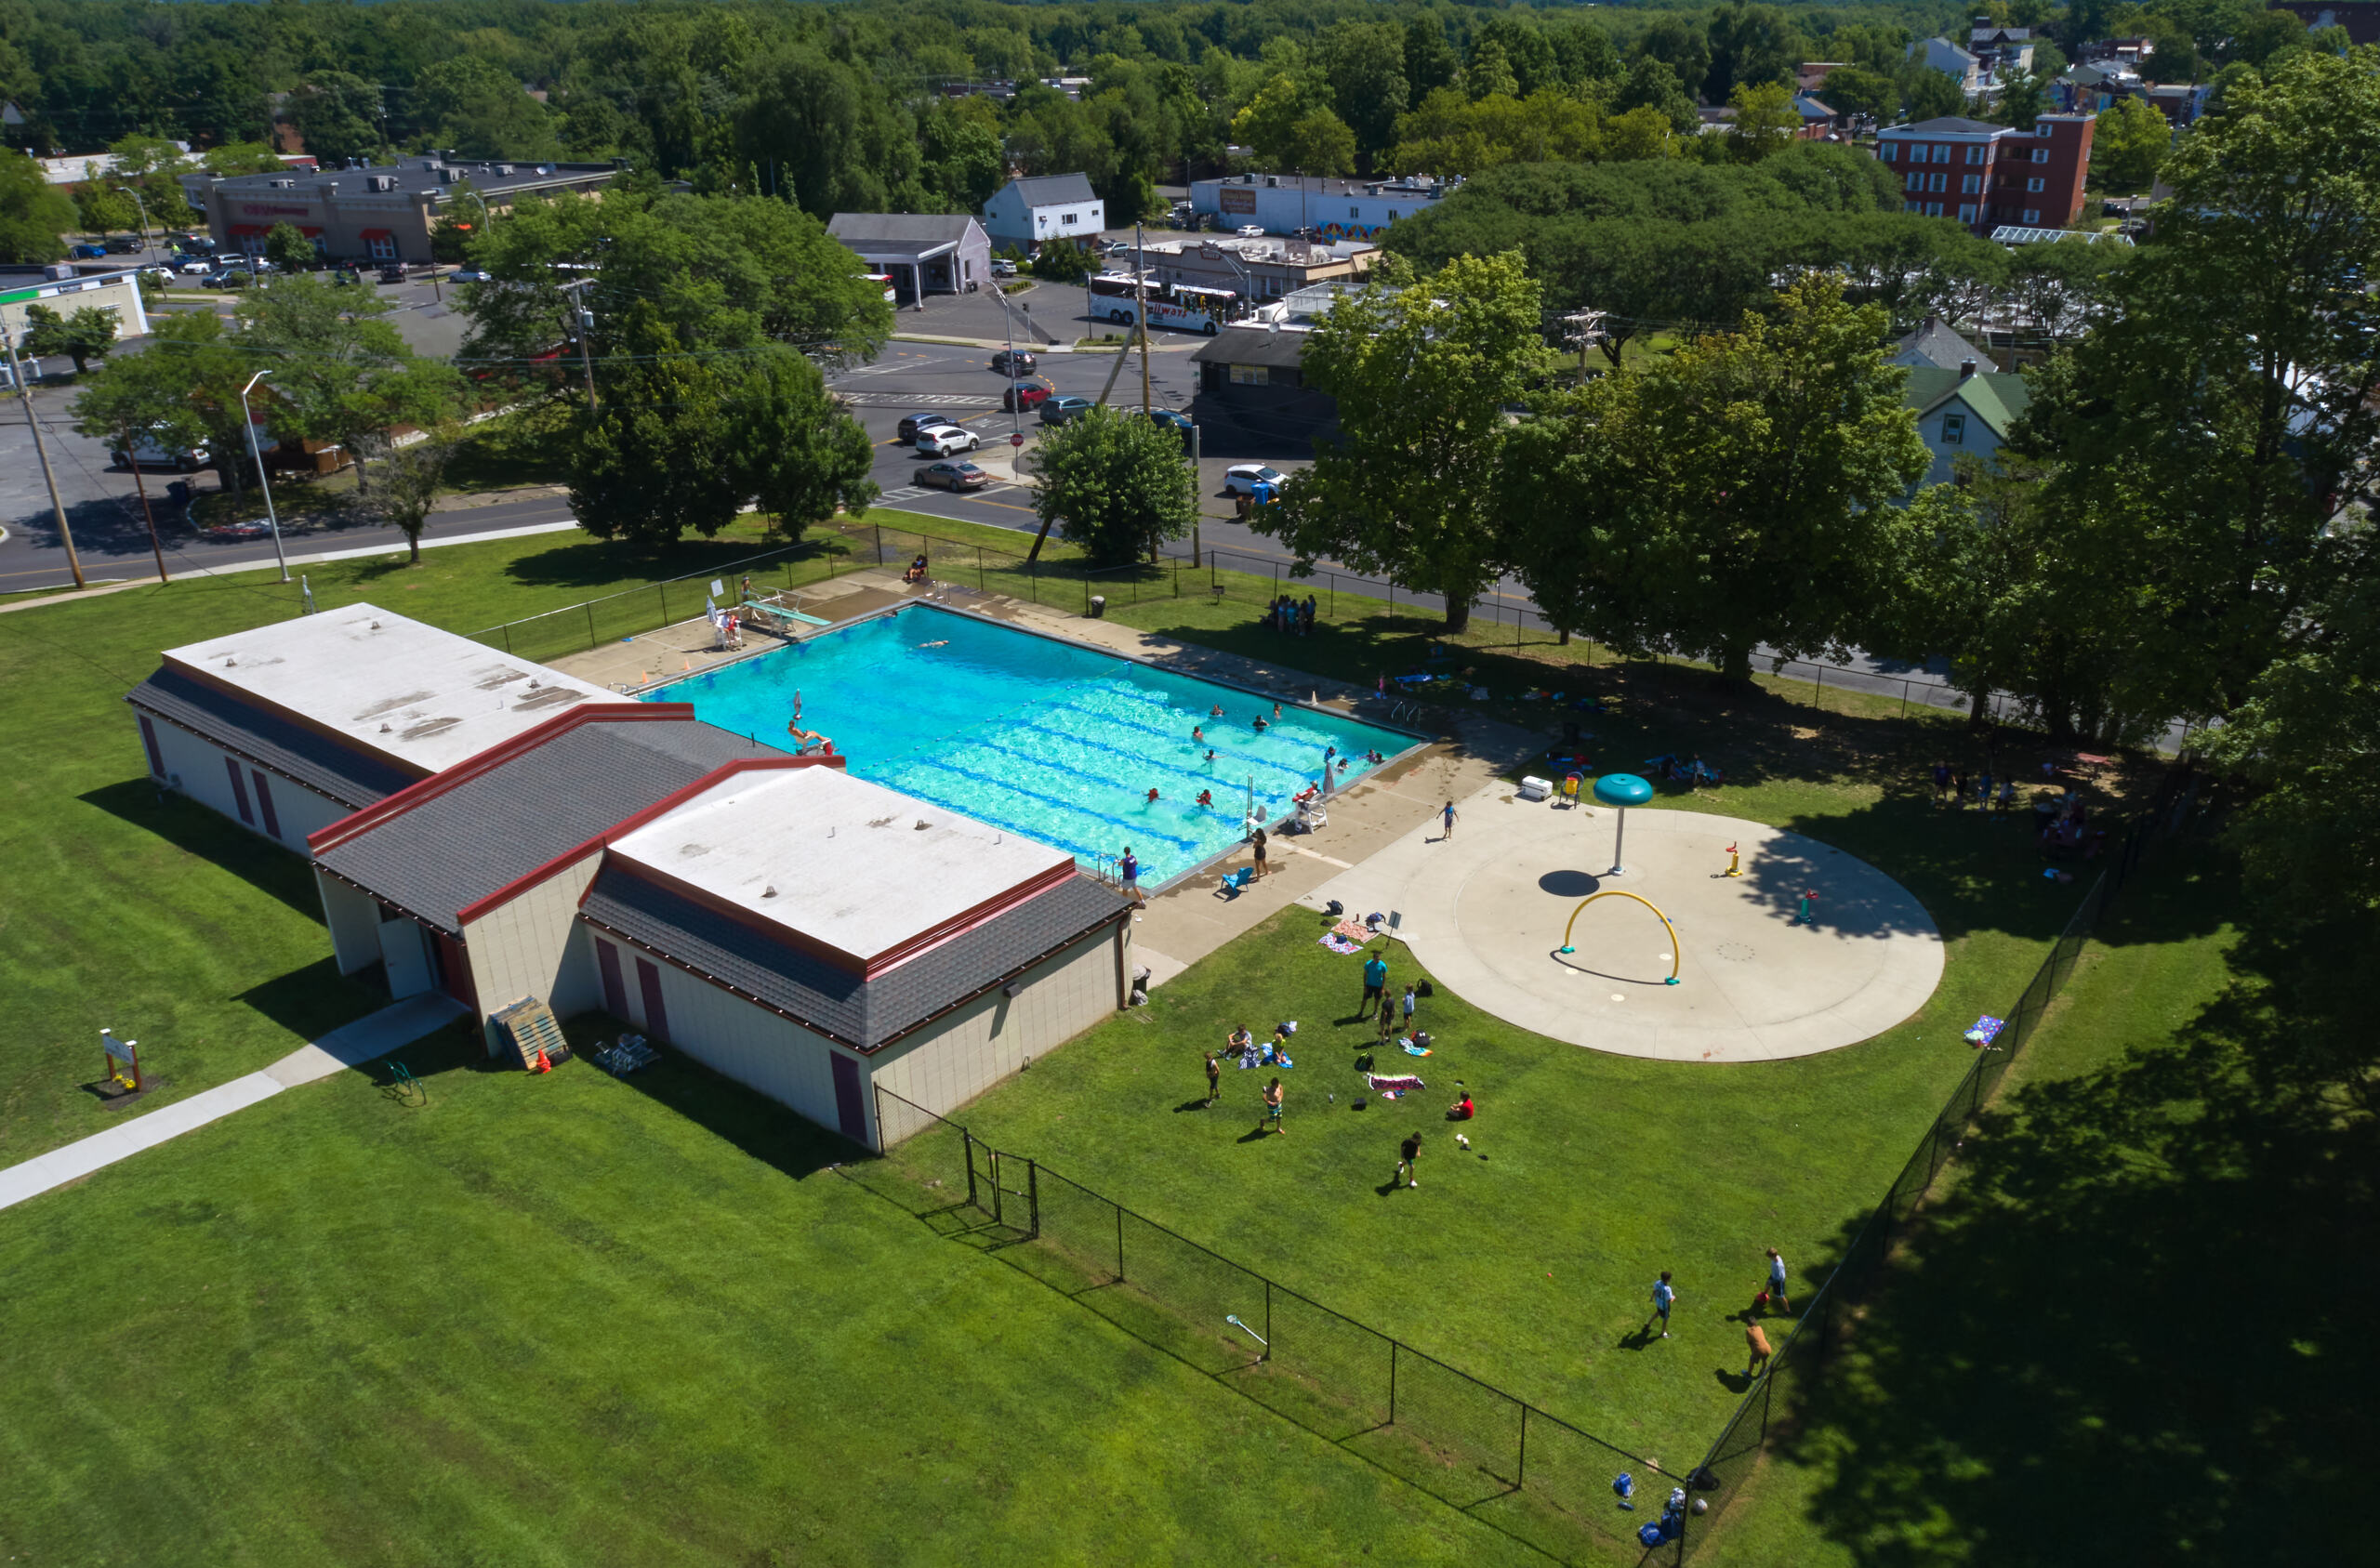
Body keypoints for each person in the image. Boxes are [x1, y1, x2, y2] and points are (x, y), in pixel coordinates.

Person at [1648, 1271, 1677, 1339]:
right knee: (1665, 1319)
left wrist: (1651, 1298)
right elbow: (1669, 1300)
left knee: (1658, 1312)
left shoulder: (1658, 1283)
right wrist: (1673, 1298)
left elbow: (1654, 1291)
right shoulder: (1667, 1289)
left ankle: (1648, 1323)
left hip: (1658, 1303)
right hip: (1664, 1307)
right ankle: (1663, 1333)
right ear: (1668, 1279)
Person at [1361, 951, 1390, 1018]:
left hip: (1378, 986)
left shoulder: (1382, 965)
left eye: (1379, 959)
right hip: (1369, 985)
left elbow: (1384, 976)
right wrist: (1365, 986)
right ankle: (1361, 1012)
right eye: (1377, 959)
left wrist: (1382, 988)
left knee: (1377, 999)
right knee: (1365, 999)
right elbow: (1365, 975)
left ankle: (1375, 1012)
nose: (1378, 961)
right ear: (1373, 958)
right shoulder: (1368, 964)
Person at [1764, 1247, 1791, 1315]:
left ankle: (1788, 1311)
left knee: (1781, 1296)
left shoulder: (1778, 1265)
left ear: (1773, 1256)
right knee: (1767, 1284)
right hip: (1774, 1275)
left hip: (1779, 1281)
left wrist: (1772, 1281)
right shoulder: (1777, 1257)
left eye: (1769, 1257)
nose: (1769, 1258)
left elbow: (1781, 1277)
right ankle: (1764, 1295)